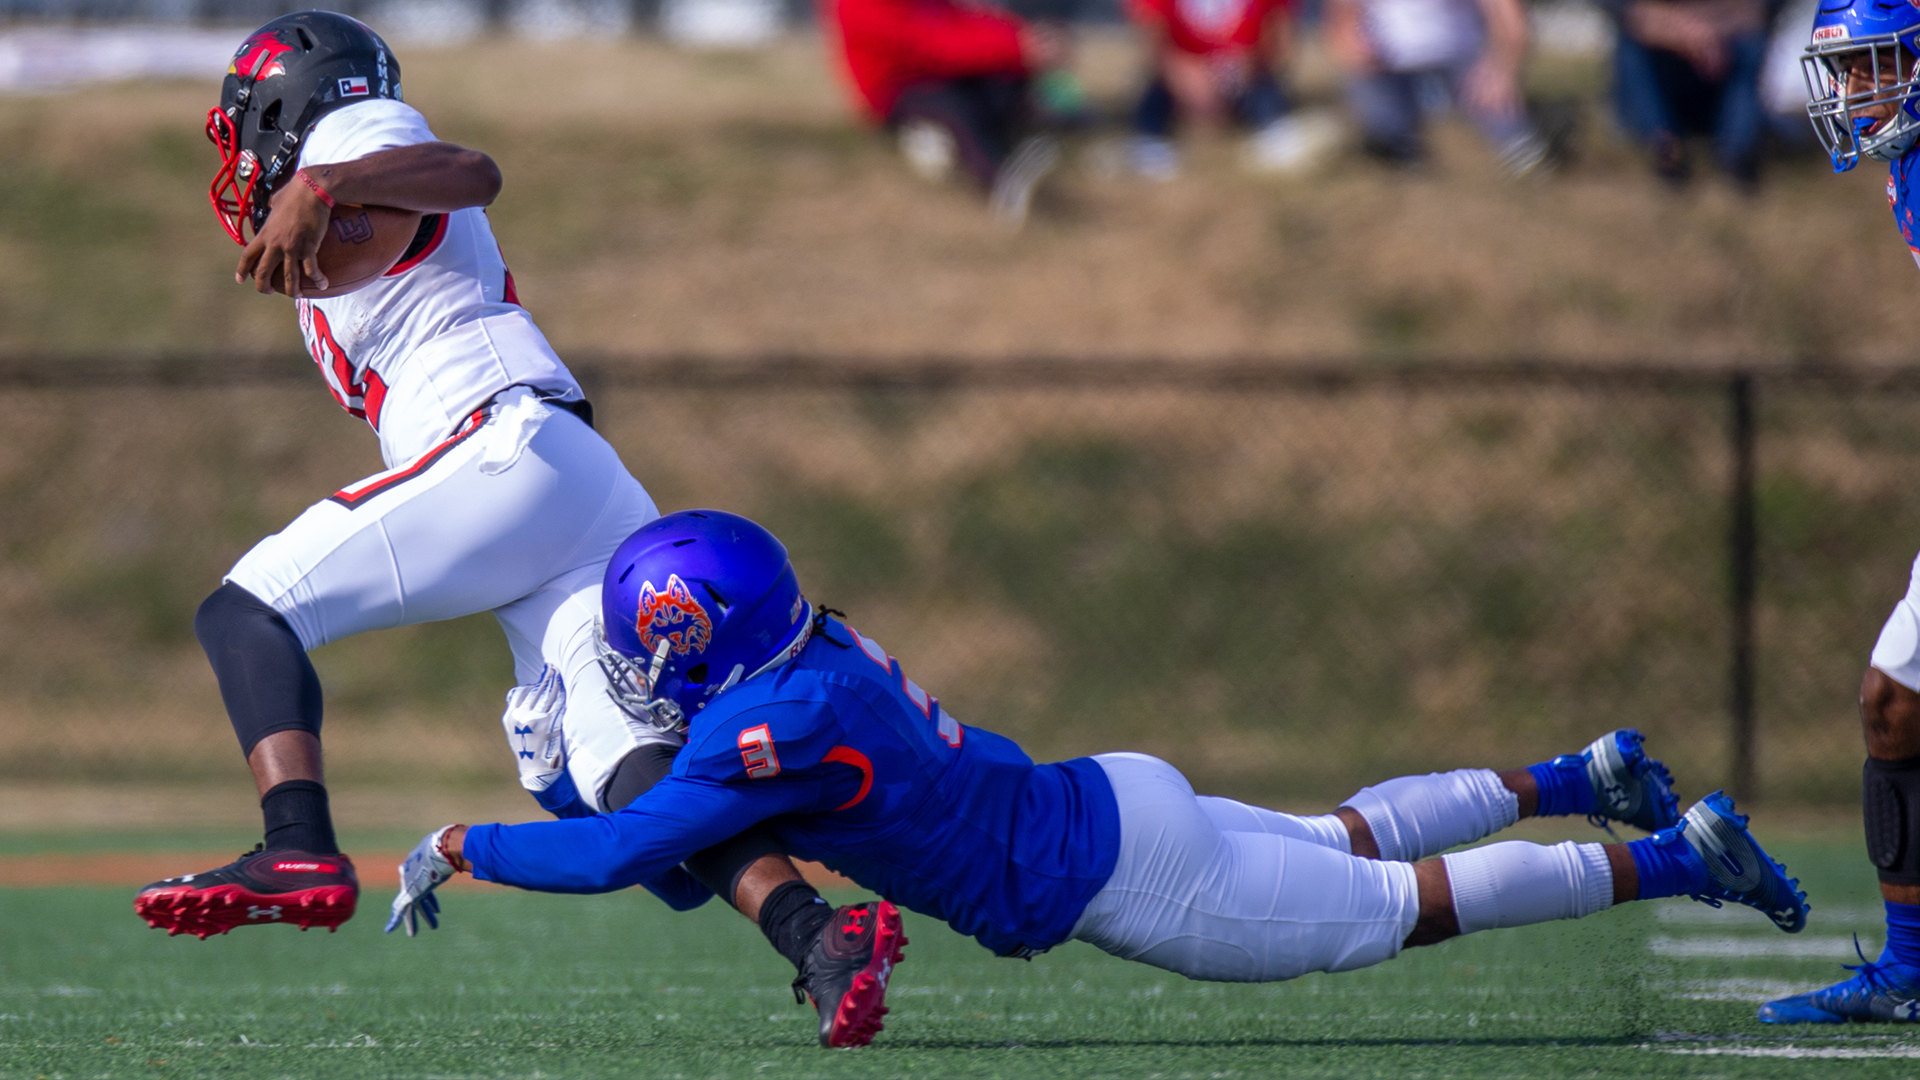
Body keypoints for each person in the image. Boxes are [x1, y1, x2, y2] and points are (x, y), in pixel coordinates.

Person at [131, 12, 894, 1046]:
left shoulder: (352, 137)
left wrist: (322, 184)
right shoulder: (343, 193)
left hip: (502, 447)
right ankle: (816, 935)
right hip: (558, 481)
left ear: (282, 108)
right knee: (623, 770)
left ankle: (296, 844)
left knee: (250, 611)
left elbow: (469, 171)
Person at [387, 509, 1811, 1045]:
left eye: (652, 646)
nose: (641, 672)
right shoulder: (807, 659)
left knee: (1398, 908)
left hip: (1115, 868)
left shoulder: (760, 733)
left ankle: (1683, 856)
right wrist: (578, 796)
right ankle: (1578, 771)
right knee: (1351, 835)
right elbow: (682, 839)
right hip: (1110, 793)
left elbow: (637, 862)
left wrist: (470, 838)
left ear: (700, 638)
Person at [1755, 2, 1920, 1024]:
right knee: (1893, 705)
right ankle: (1910, 971)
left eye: (1872, 68)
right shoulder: (1909, 169)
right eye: (1846, 72)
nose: (1855, 93)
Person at [821, 0, 1071, 224]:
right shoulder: (855, 5)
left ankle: (1018, 134)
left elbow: (959, 20)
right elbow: (929, 47)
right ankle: (1001, 183)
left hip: (939, 75)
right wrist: (1017, 47)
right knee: (952, 109)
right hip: (896, 90)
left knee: (1001, 83)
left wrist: (1027, 38)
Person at [1322, 0, 1550, 175]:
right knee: (1386, 142)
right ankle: (1401, 158)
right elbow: (1342, 18)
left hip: (1463, 63)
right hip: (1389, 69)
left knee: (1520, 147)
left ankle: (1526, 151)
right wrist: (1355, 51)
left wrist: (1504, 71)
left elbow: (1511, 20)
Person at [1123, 0, 1340, 178]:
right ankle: (1150, 145)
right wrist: (1185, 77)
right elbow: (1151, 40)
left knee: (1266, 92)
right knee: (1155, 92)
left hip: (1244, 71)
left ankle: (1273, 133)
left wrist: (1248, 65)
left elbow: (1282, 43)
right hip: (1183, 72)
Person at [1602, 0, 1771, 185]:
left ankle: (1738, 151)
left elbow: (1760, 10)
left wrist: (1709, 31)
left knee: (1751, 46)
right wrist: (1680, 32)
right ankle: (1665, 148)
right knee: (1632, 50)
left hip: (1723, 61)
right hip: (1663, 67)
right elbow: (1625, 9)